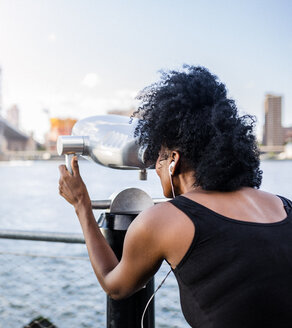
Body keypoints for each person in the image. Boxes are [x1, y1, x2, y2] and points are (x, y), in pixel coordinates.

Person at [58, 66, 292, 328]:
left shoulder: (163, 220)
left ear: (173, 161)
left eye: (158, 156)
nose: (154, 167)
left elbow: (116, 286)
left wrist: (82, 205)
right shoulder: (284, 204)